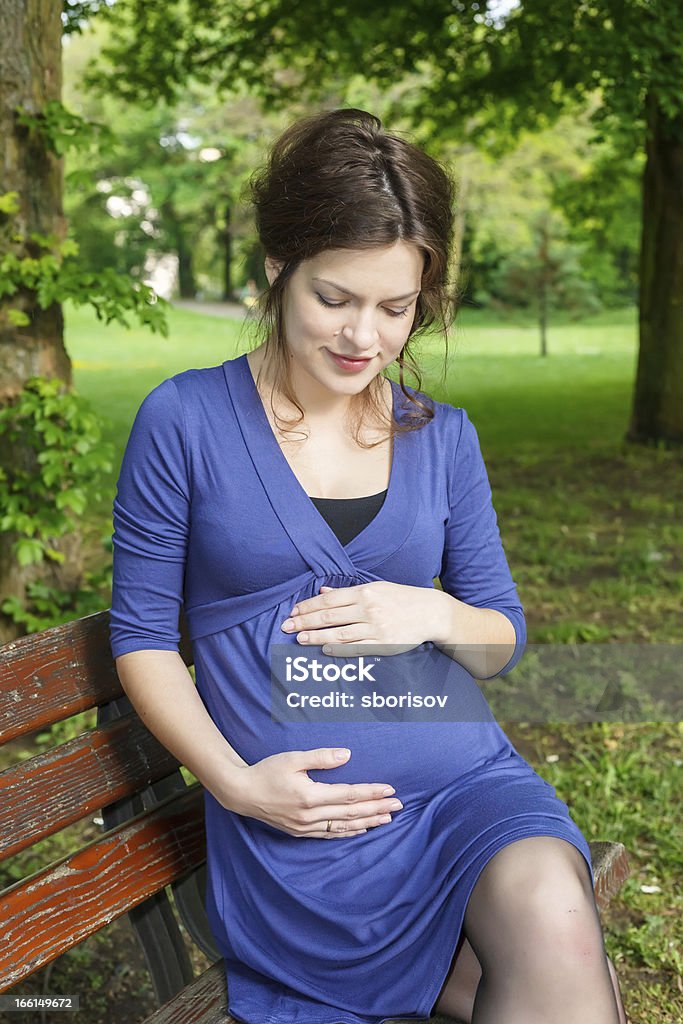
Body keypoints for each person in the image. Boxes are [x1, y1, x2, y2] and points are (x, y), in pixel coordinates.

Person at [110, 108, 627, 1024]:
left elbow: (499, 637)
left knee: (553, 908)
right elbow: (144, 637)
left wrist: (430, 615)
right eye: (334, 299)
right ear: (277, 269)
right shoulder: (185, 420)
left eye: (396, 308)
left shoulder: (445, 438)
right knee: (549, 983)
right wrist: (236, 785)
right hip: (305, 835)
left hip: (469, 788)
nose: (364, 337)